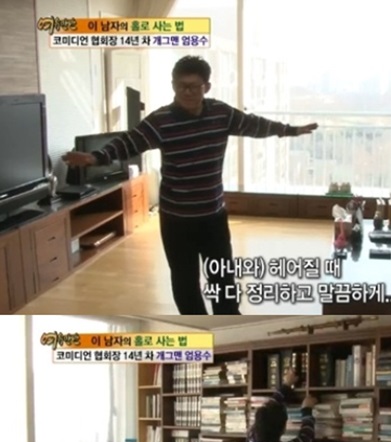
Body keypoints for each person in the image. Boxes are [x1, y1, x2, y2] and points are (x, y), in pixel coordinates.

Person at [61, 56, 318, 315]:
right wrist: (96, 157)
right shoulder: (161, 121)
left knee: (223, 279)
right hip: (177, 220)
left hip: (213, 216)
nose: (187, 92)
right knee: (185, 282)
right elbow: (129, 141)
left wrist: (290, 130)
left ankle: (227, 324)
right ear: (173, 85)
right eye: (181, 86)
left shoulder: (221, 113)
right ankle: (198, 328)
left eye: (194, 86)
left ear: (207, 87)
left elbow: (255, 125)